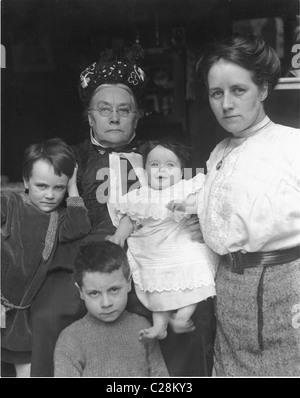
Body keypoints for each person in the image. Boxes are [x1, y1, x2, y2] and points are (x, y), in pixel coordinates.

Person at [30, 44, 216, 377]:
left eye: (124, 109)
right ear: (90, 116)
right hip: (79, 258)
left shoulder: (158, 157)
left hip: (146, 259)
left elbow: (197, 194)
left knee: (188, 317)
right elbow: (35, 197)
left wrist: (198, 221)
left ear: (137, 115)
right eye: (104, 109)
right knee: (47, 314)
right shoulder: (68, 156)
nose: (114, 117)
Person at [195, 33, 300, 376]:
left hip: (288, 294)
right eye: (216, 93)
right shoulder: (218, 153)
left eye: (238, 90)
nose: (226, 104)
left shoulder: (292, 145)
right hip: (230, 293)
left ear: (264, 90)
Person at [108, 137, 219, 340]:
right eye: (154, 165)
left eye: (170, 165)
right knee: (155, 282)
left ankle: (183, 317)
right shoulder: (140, 195)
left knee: (193, 267)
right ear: (144, 170)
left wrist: (186, 207)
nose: (162, 170)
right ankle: (160, 325)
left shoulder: (187, 188)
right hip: (153, 248)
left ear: (181, 169)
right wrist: (118, 235)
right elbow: (129, 217)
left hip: (181, 240)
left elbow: (202, 205)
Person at [1, 138, 91, 377]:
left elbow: (80, 226)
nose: (50, 195)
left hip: (18, 317)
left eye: (58, 187)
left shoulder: (59, 219)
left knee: (28, 370)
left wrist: (73, 188)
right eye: (42, 186)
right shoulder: (10, 204)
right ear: (25, 181)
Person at [54, 241, 169, 377]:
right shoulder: (71, 339)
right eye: (94, 293)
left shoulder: (143, 328)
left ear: (128, 283)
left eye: (113, 290)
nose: (106, 303)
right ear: (80, 292)